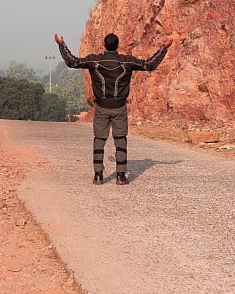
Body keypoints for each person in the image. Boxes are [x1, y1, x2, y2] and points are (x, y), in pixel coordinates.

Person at [54, 32, 174, 185]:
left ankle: (98, 176)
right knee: (120, 140)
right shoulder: (126, 62)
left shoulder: (94, 60)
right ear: (118, 46)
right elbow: (149, 65)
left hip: (102, 106)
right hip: (119, 107)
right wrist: (164, 48)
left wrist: (61, 44)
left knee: (99, 140)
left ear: (104, 45)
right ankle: (121, 176)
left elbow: (72, 62)